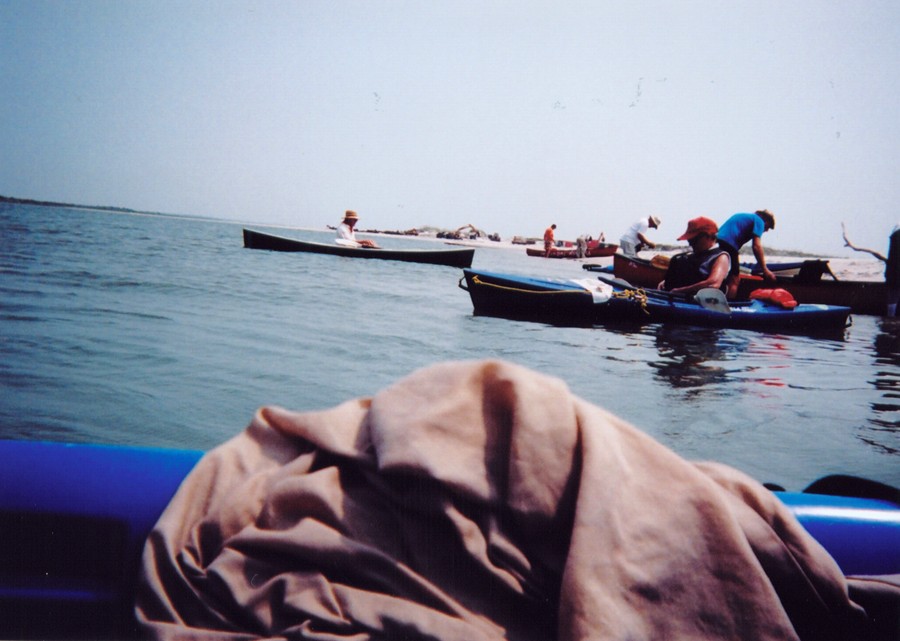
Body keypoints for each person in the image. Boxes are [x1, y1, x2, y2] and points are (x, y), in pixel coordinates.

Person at [659, 216, 731, 295]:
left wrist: (679, 291)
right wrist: (666, 282)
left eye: (694, 240)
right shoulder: (689, 256)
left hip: (704, 303)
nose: (690, 243)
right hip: (678, 298)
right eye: (689, 240)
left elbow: (713, 284)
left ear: (708, 236)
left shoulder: (721, 257)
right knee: (677, 259)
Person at [843, 222, 900, 316]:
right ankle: (890, 317)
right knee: (893, 294)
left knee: (892, 295)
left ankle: (890, 316)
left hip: (892, 276)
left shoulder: (895, 236)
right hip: (893, 276)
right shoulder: (895, 237)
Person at [716, 209, 776, 298]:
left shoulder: (744, 216)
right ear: (765, 220)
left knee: (718, 273)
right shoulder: (759, 221)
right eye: (768, 227)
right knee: (734, 280)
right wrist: (765, 270)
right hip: (728, 244)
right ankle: (730, 307)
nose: (766, 230)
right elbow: (756, 246)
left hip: (716, 242)